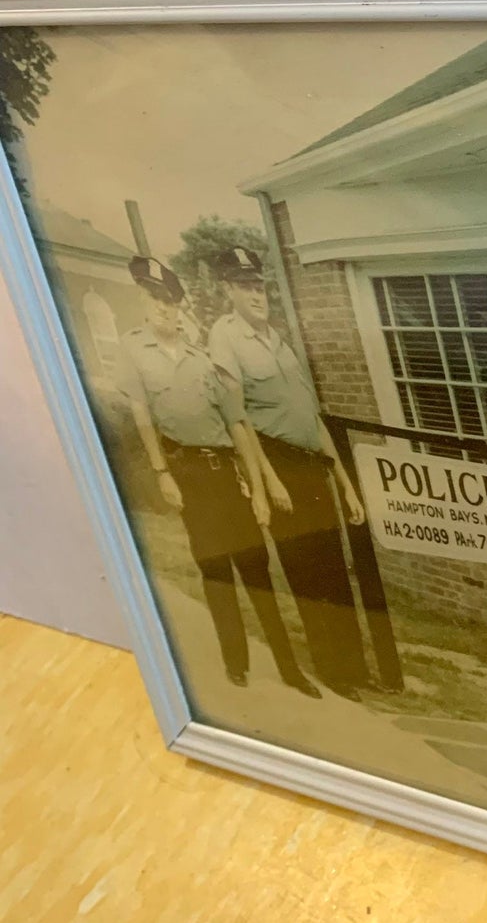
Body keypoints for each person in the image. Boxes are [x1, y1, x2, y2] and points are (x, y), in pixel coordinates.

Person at [115, 255, 320, 697]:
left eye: (169, 301)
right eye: (153, 300)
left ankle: (289, 668)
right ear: (142, 304)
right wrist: (162, 473)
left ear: (178, 305)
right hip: (189, 475)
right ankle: (236, 664)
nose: (163, 310)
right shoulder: (134, 352)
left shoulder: (204, 358)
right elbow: (142, 416)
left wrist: (260, 488)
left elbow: (238, 426)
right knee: (215, 571)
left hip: (228, 475)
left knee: (256, 568)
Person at [208, 246, 372, 700]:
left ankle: (354, 668)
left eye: (258, 285)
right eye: (245, 286)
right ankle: (333, 670)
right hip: (278, 465)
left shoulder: (278, 339)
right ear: (228, 290)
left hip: (313, 467)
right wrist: (269, 481)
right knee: (307, 571)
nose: (256, 294)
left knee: (335, 569)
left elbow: (312, 417)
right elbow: (237, 419)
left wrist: (345, 483)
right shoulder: (225, 338)